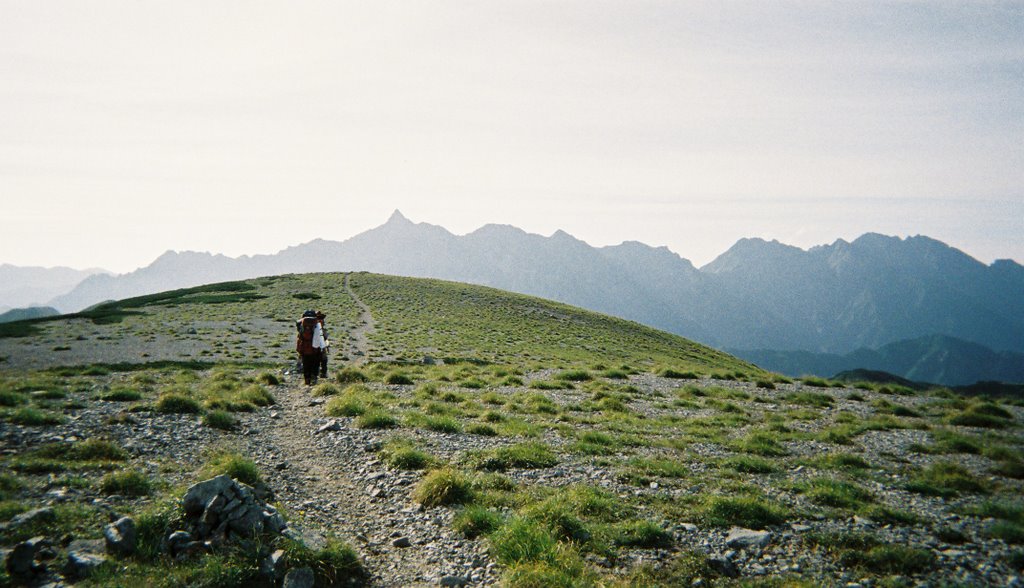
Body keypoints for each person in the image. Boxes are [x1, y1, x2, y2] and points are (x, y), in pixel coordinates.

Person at [296, 310, 326, 386]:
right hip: (316, 348)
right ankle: (314, 379)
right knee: (316, 363)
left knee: (306, 363)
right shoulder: (318, 323)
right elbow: (323, 335)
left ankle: (307, 381)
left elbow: (299, 335)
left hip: (304, 348)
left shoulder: (301, 323)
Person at [315, 311, 330, 379]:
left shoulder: (311, 326)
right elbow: (325, 338)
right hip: (320, 345)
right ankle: (323, 373)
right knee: (324, 359)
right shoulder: (322, 328)